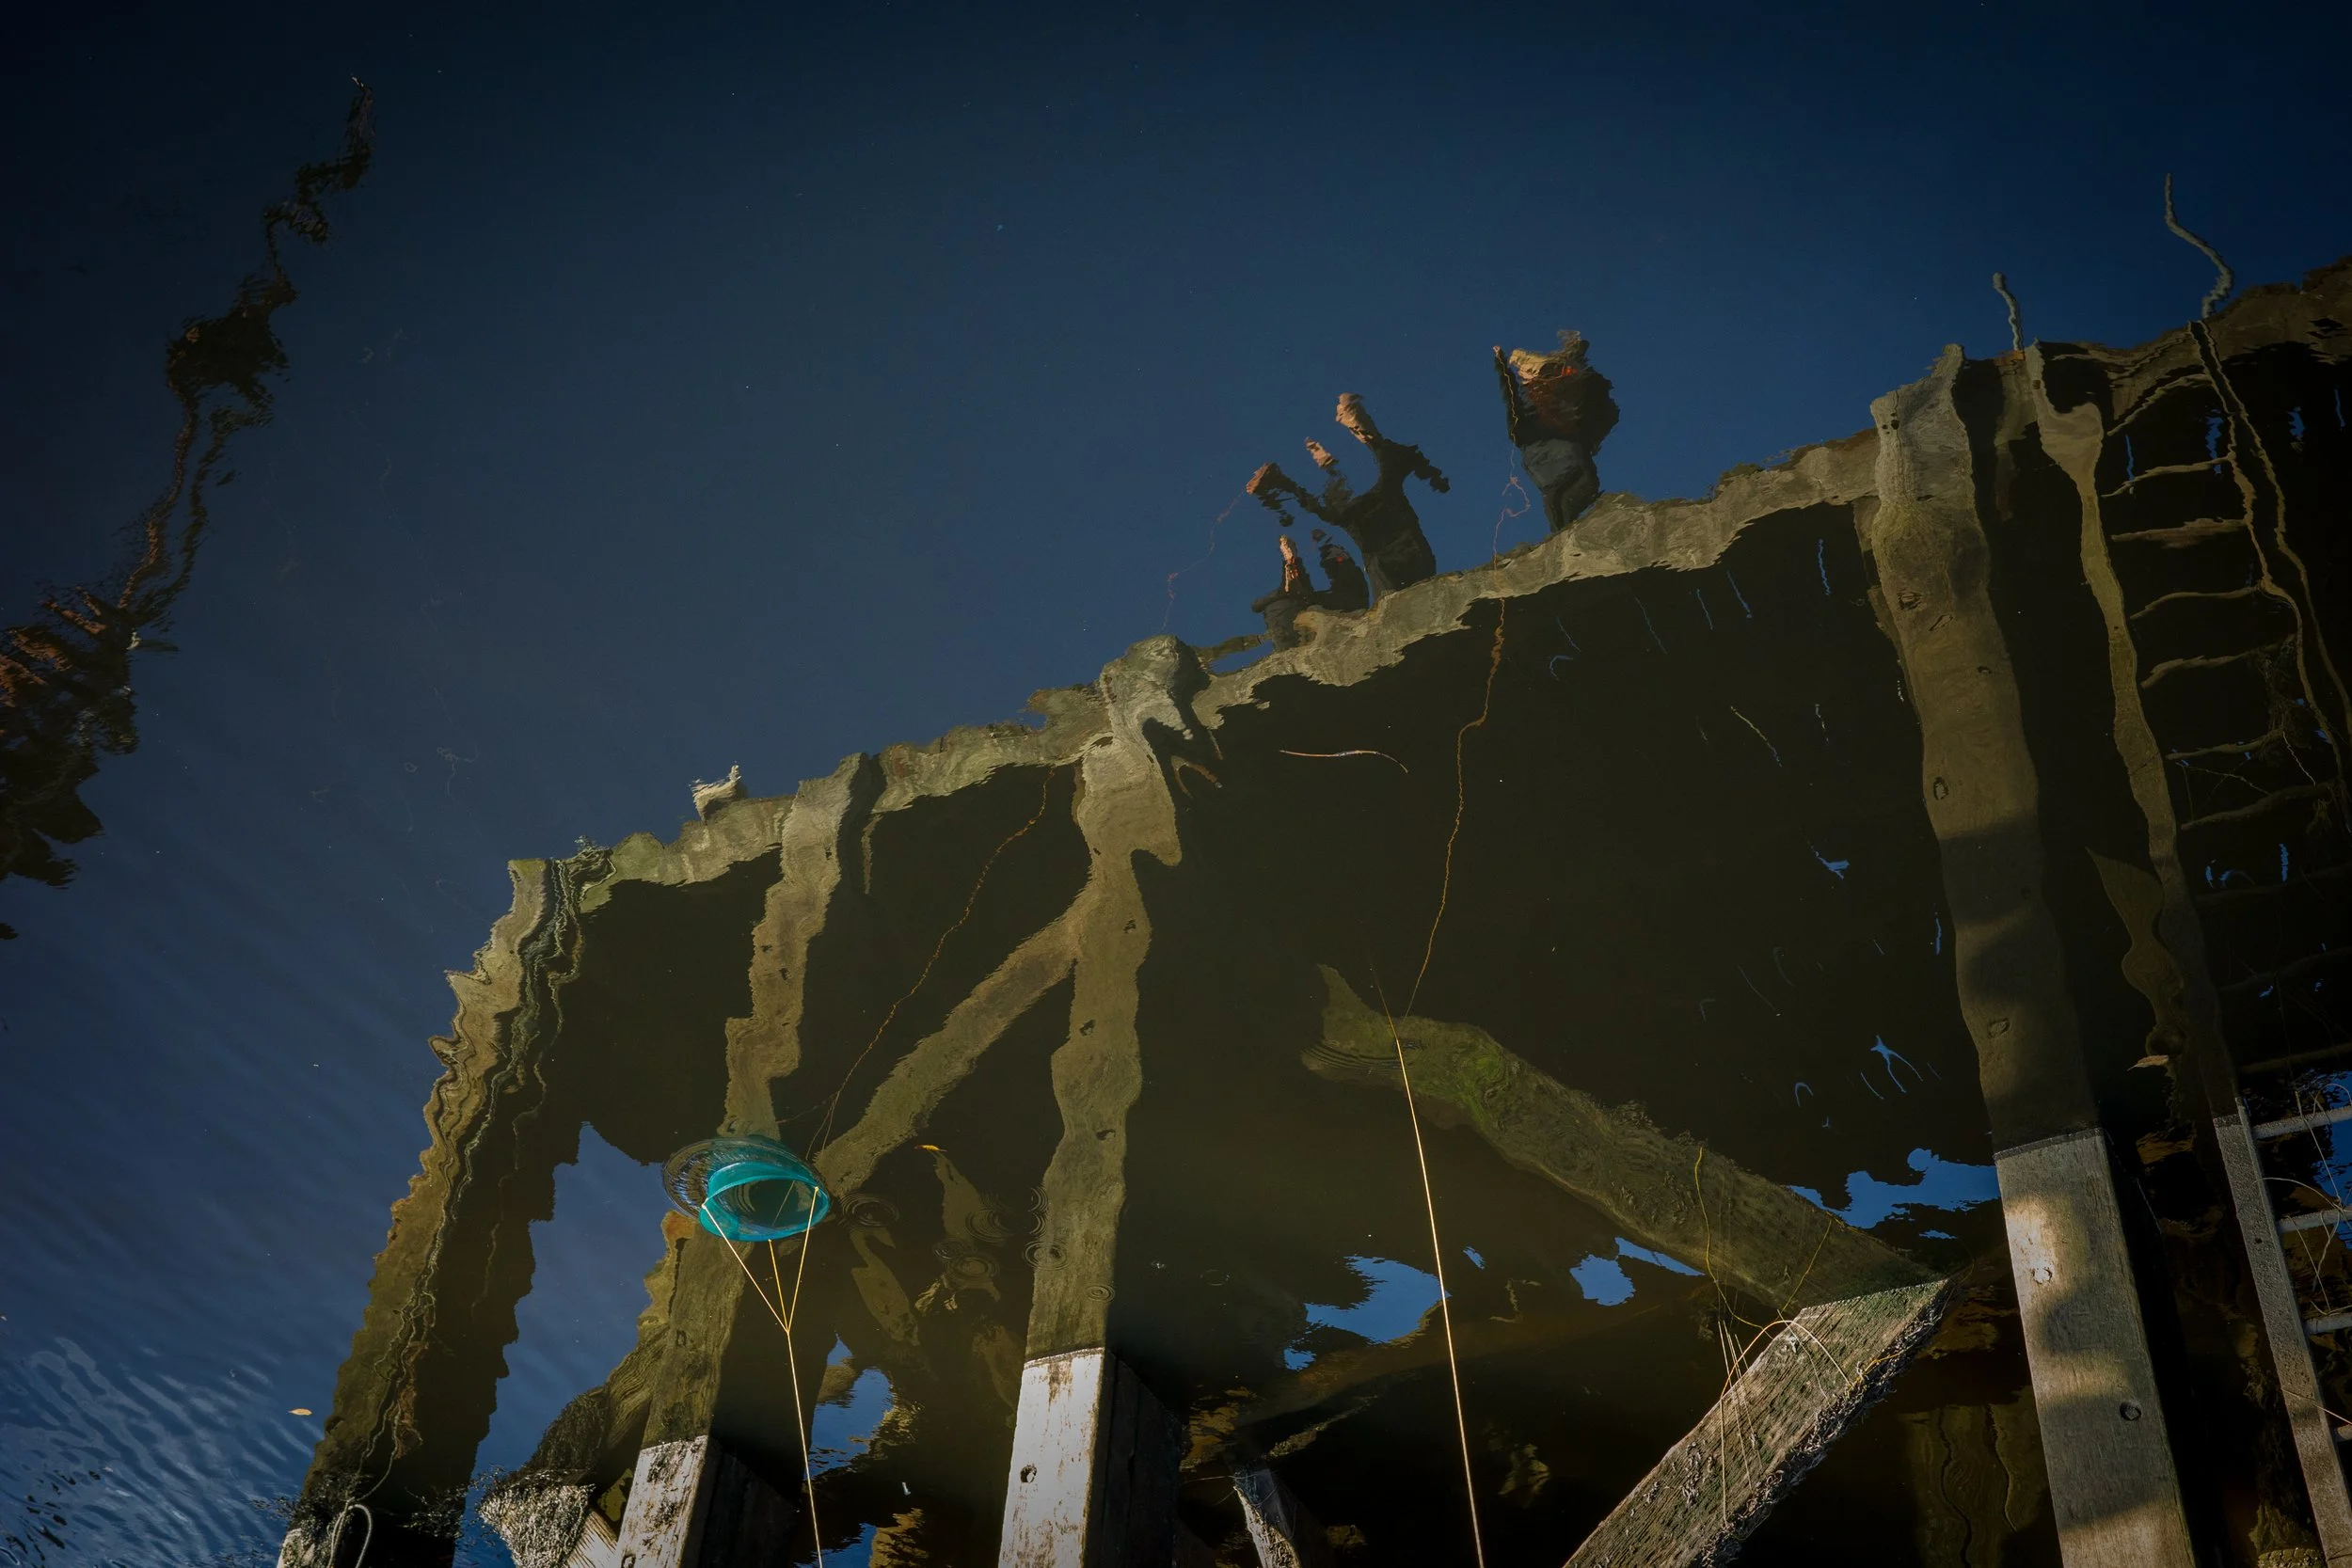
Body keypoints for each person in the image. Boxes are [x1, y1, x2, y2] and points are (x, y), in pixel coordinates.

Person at [1246, 393, 1448, 596]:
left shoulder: (1357, 497)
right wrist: (1433, 476)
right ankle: (1352, 423)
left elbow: (1399, 458)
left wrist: (1433, 476)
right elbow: (1400, 457)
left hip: (1390, 551)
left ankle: (1280, 478)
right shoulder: (1378, 482)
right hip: (1397, 548)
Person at [1495, 330, 1618, 531]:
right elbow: (1511, 399)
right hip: (1557, 470)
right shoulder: (1529, 418)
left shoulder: (1544, 400)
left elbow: (1512, 398)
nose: (1523, 374)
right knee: (1556, 504)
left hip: (1567, 466)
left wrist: (1503, 369)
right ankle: (1563, 538)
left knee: (1557, 503)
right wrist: (1503, 369)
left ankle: (1564, 538)